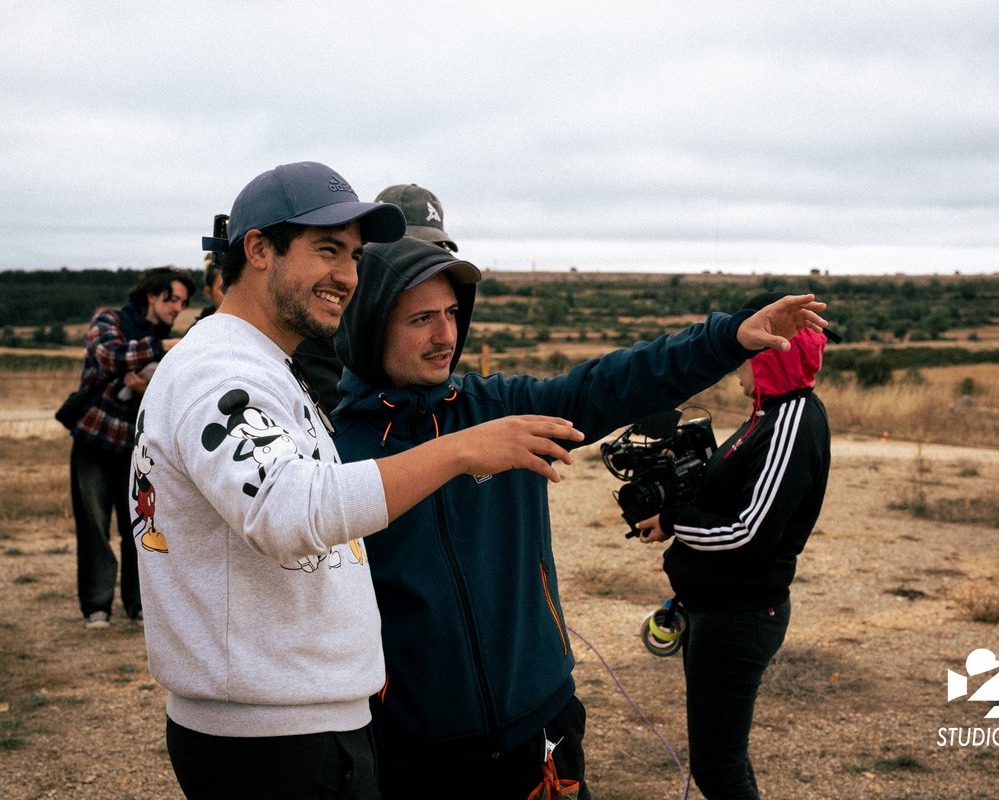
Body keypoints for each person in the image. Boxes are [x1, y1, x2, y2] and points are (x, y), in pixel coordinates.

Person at [132, 161, 582, 800]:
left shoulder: (260, 368)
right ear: (258, 249)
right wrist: (459, 452)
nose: (346, 275)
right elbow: (286, 509)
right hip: (275, 744)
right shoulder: (219, 373)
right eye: (326, 250)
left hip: (294, 726)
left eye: (353, 256)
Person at [330, 238, 828, 799]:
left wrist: (725, 338)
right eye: (421, 319)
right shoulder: (332, 453)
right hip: (413, 755)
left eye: (451, 314)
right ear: (370, 326)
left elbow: (616, 382)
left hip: (541, 732)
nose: (446, 336)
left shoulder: (501, 410)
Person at [637, 291, 834, 800]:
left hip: (739, 617)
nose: (735, 367)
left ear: (770, 351)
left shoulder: (790, 421)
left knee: (717, 769)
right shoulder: (768, 413)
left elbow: (749, 532)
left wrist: (676, 521)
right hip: (717, 609)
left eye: (746, 354)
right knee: (725, 758)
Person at [68, 266, 194, 628]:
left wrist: (144, 387)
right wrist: (163, 348)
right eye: (172, 300)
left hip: (136, 450)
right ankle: (97, 606)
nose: (176, 309)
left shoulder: (161, 338)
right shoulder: (110, 320)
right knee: (93, 525)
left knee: (139, 525)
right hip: (94, 441)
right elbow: (109, 355)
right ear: (152, 295)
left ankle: (138, 605)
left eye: (182, 303)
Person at [293, 183, 456, 413]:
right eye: (405, 254)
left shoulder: (440, 336)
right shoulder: (322, 326)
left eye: (436, 252)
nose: (423, 268)